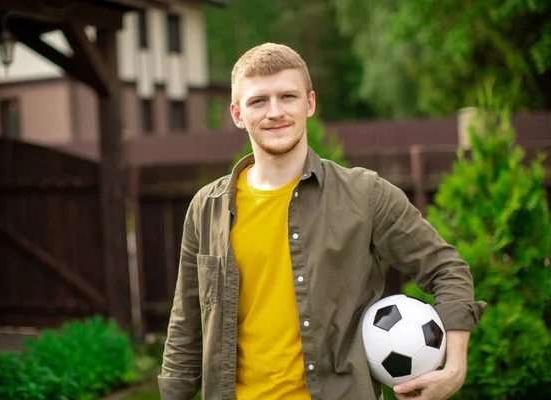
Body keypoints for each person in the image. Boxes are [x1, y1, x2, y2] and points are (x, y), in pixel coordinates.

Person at [158, 43, 487, 400]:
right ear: (238, 114)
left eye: (288, 96)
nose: (275, 112)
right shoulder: (207, 208)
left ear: (309, 103)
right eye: (258, 101)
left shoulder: (365, 194)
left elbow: (447, 269)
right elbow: (186, 329)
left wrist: (454, 369)